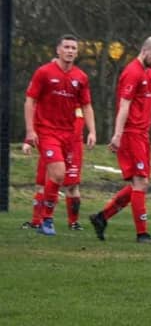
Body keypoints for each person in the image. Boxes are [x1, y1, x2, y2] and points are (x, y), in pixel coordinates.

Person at [89, 36, 151, 244]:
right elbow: (124, 106)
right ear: (144, 51)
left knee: (141, 183)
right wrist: (117, 135)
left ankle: (102, 217)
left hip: (143, 134)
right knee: (140, 182)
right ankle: (142, 233)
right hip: (130, 134)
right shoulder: (131, 72)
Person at [23, 34, 97, 236]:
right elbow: (30, 101)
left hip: (68, 134)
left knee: (61, 177)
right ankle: (46, 219)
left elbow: (86, 105)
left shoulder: (80, 77)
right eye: (66, 47)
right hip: (46, 132)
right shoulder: (44, 72)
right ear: (58, 49)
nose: (70, 51)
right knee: (58, 173)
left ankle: (45, 218)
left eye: (74, 47)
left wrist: (92, 130)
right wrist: (30, 131)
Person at [21, 108, 85, 230]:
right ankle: (37, 221)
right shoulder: (51, 98)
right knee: (43, 183)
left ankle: (73, 222)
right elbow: (36, 112)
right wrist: (29, 140)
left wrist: (91, 132)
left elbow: (81, 119)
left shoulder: (78, 100)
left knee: (72, 185)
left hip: (73, 147)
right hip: (51, 143)